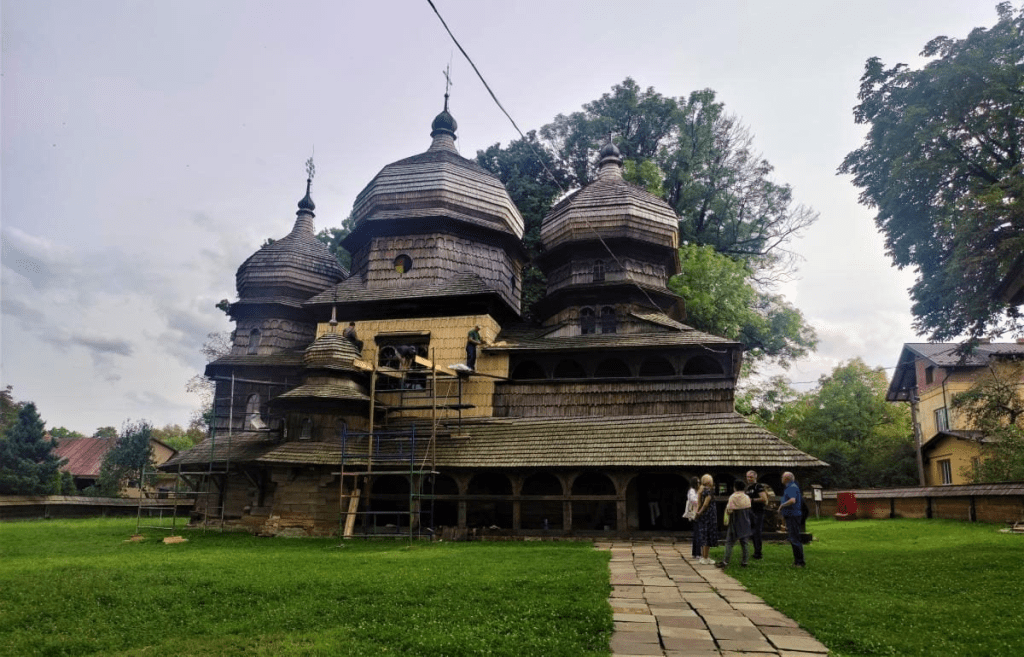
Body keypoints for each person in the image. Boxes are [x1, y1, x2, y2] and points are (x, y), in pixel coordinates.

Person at [716, 479, 752, 569]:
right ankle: (745, 561)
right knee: (744, 543)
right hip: (745, 521)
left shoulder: (733, 497)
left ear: (735, 487)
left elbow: (729, 509)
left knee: (729, 542)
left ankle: (725, 561)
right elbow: (749, 507)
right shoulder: (747, 497)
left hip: (735, 521)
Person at [779, 471, 806, 567]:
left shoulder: (791, 487)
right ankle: (797, 561)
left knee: (794, 538)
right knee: (793, 537)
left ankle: (799, 562)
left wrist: (782, 505)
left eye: (782, 477)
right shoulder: (790, 487)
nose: (781, 478)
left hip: (793, 515)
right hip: (791, 515)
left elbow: (792, 500)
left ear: (786, 478)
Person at [694, 474, 718, 565]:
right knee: (708, 535)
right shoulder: (709, 491)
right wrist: (700, 512)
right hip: (709, 515)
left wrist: (698, 513)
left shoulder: (701, 490)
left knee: (704, 534)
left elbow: (699, 503)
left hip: (703, 516)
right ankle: (705, 557)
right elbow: (706, 504)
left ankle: (704, 557)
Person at [745, 470, 769, 560]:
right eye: (747, 477)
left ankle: (758, 553)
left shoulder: (758, 487)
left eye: (751, 477)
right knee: (752, 533)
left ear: (755, 477)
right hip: (750, 512)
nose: (749, 479)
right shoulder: (748, 488)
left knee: (757, 532)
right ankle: (755, 551)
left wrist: (753, 500)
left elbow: (764, 498)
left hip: (758, 512)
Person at [684, 476, 701, 559]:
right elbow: (694, 501)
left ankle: (696, 553)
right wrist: (700, 498)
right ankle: (697, 553)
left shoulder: (695, 491)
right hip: (695, 513)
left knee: (697, 533)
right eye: (698, 482)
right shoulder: (692, 491)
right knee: (697, 533)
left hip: (697, 513)